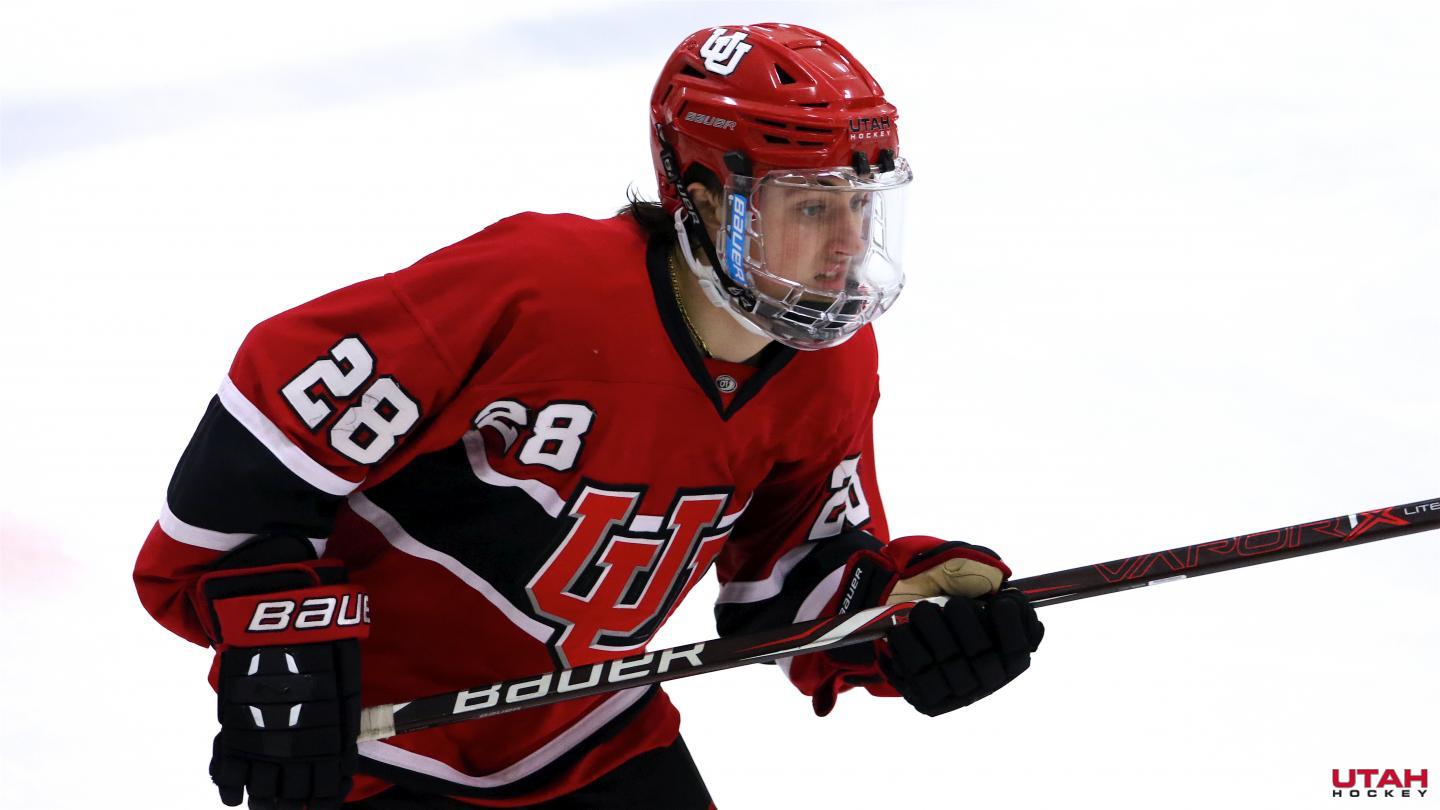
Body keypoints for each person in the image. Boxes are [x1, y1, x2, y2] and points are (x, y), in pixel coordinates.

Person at [134, 22, 1045, 810]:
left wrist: (900, 618)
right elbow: (275, 416)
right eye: (811, 206)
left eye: (861, 204)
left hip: (591, 732)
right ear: (704, 197)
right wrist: (278, 630)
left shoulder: (829, 362)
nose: (848, 245)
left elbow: (791, 571)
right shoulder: (539, 288)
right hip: (380, 742)